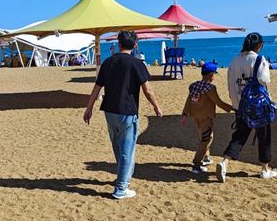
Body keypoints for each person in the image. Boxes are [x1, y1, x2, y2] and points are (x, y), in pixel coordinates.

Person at [83, 30, 163, 200]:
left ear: (119, 44)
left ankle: (123, 177)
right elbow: (147, 90)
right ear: (135, 45)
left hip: (109, 111)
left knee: (118, 147)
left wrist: (88, 109)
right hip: (127, 111)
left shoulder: (108, 62)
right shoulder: (136, 63)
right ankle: (121, 188)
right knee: (127, 149)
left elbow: (96, 88)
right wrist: (156, 107)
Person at [216, 32, 276, 183]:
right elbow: (264, 80)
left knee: (240, 135)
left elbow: (230, 84)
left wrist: (235, 101)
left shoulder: (234, 61)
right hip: (258, 106)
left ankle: (225, 162)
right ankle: (265, 169)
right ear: (259, 45)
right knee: (264, 137)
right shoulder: (259, 59)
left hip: (240, 105)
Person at [180, 62, 233, 174]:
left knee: (205, 137)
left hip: (195, 116)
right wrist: (233, 109)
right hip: (206, 118)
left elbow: (189, 100)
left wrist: (185, 114)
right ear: (211, 74)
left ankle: (206, 157)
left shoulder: (194, 86)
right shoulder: (210, 88)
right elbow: (218, 102)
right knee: (205, 140)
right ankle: (196, 165)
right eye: (214, 74)